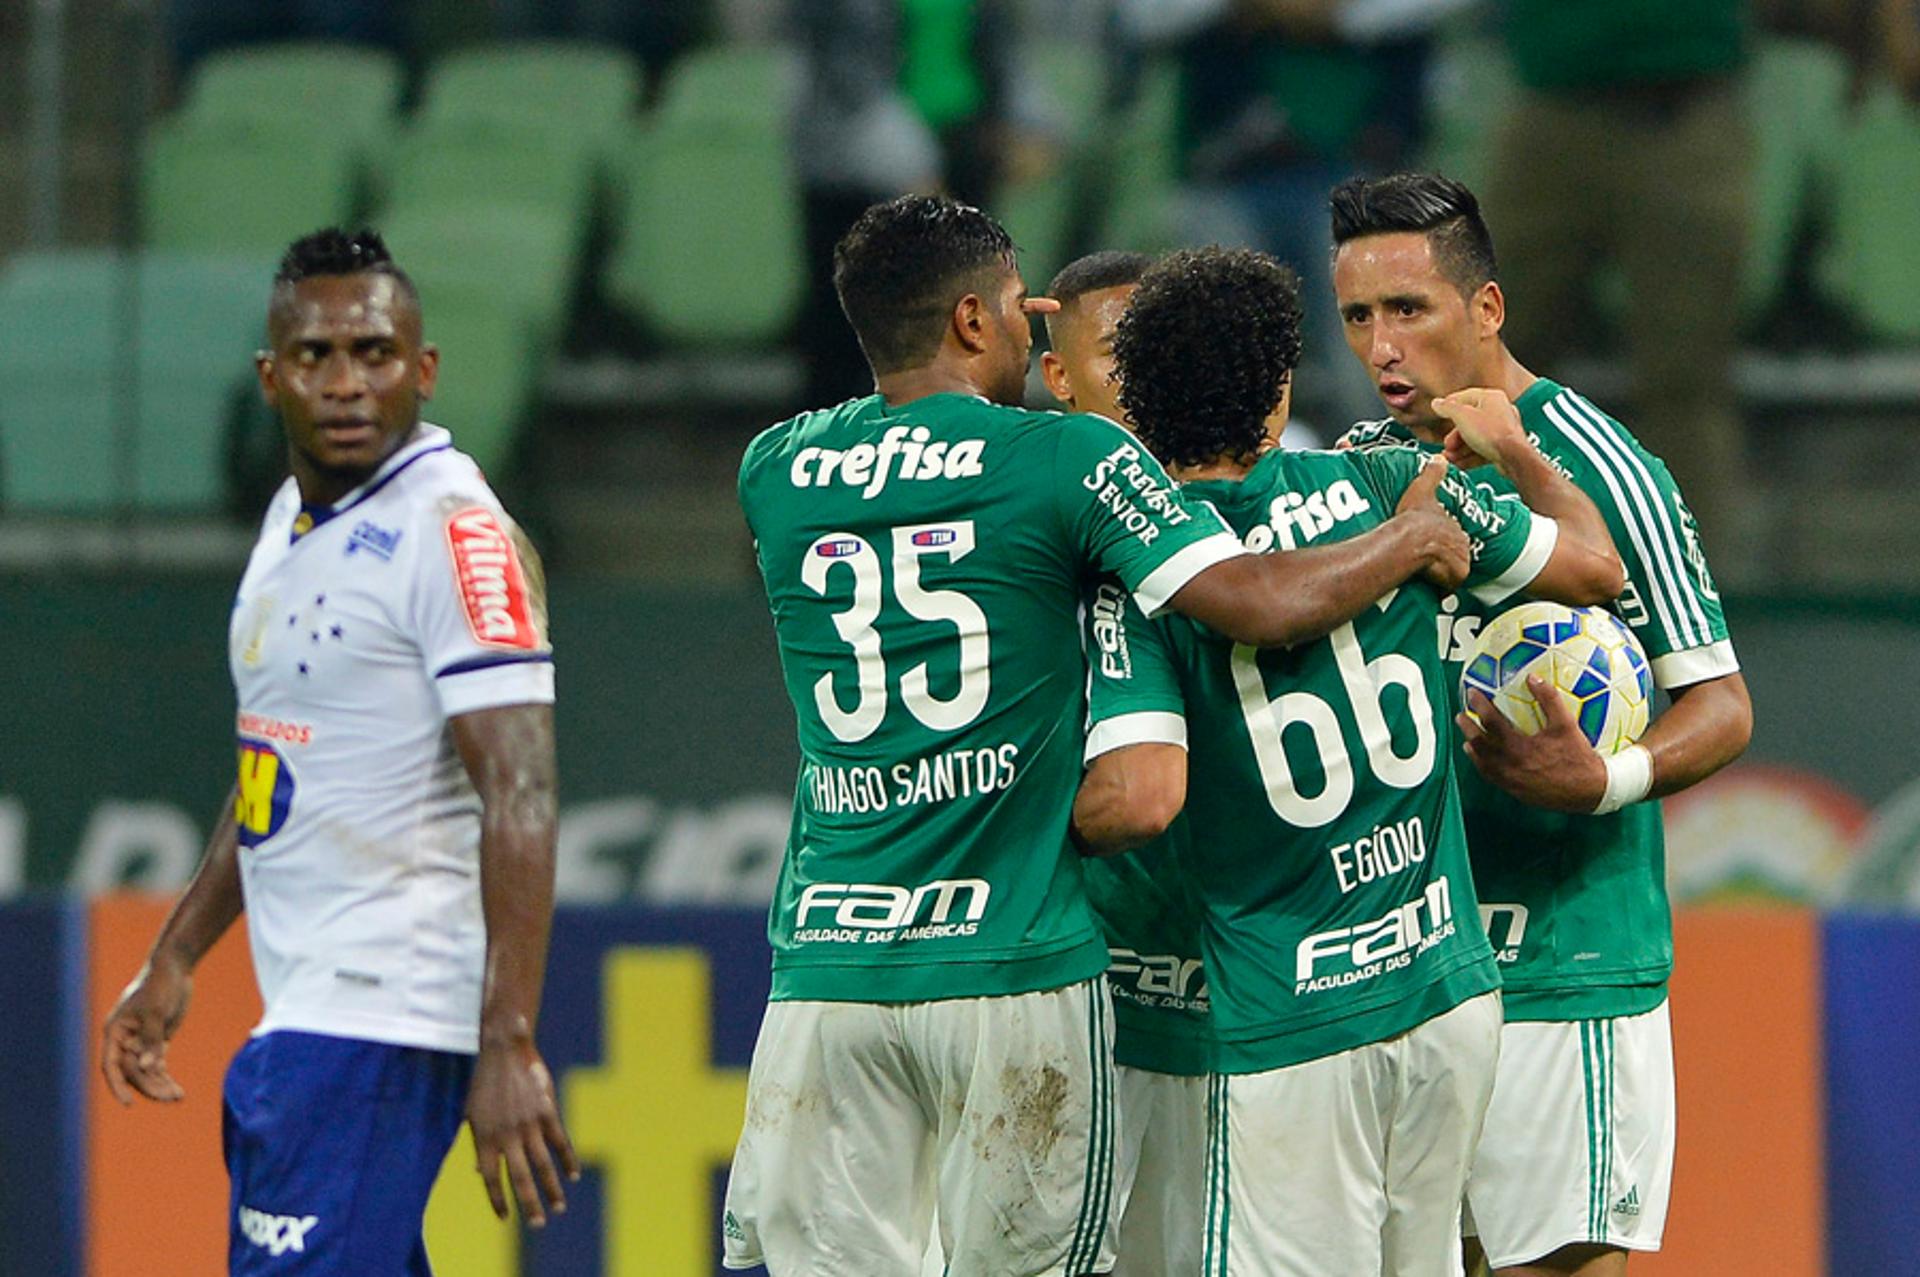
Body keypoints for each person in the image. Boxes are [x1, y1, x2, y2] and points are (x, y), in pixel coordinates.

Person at [723, 193, 1478, 1276]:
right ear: (973, 323)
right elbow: (1253, 599)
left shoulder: (775, 468)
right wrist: (1407, 537)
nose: (1035, 328)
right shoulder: (1066, 460)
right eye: (1013, 307)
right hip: (1014, 956)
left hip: (829, 970)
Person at [1071, 246, 1622, 1277]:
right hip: (1445, 988)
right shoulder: (1384, 483)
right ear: (1281, 385)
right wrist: (1521, 455)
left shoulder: (1148, 573)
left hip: (1293, 1012)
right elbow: (1594, 562)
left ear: (1137, 404)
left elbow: (1142, 790)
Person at [98, 229, 578, 1275]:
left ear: (426, 367)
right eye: (317, 357)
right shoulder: (294, 520)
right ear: (272, 377)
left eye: (375, 352)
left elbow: (524, 789)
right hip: (316, 1011)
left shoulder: (452, 532)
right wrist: (175, 955)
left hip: (381, 1015)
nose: (348, 383)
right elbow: (277, 763)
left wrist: (510, 1037)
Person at [1329, 173, 1754, 1277]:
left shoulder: (1604, 465)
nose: (1382, 346)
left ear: (1488, 310)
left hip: (1565, 965)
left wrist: (1600, 781)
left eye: (1408, 311)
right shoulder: (1360, 470)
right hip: (1412, 970)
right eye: (1358, 318)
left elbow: (1719, 702)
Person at [1040, 248, 1210, 1277]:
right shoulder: (1012, 527)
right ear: (1058, 378)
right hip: (1067, 1011)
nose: (1148, 382)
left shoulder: (1249, 509)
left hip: (1232, 1013)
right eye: (1118, 356)